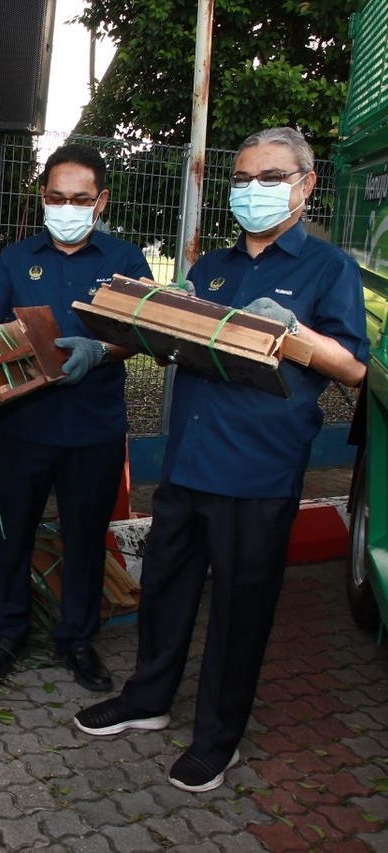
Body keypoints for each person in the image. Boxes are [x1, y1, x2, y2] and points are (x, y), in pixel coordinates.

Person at [74, 127, 367, 792]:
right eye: (242, 179)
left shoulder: (328, 269)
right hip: (187, 461)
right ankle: (148, 698)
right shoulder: (213, 267)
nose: (253, 190)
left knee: (240, 610)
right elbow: (186, 344)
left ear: (306, 184)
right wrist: (137, 326)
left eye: (270, 177)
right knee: (166, 591)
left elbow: (353, 367)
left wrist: (294, 333)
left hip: (258, 471)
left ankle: (218, 737)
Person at [0, 143, 152, 690]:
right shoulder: (16, 258)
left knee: (85, 537)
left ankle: (78, 639)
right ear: (42, 198)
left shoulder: (125, 262)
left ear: (101, 200)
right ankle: (7, 633)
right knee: (12, 533)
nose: (67, 207)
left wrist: (102, 351)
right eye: (57, 197)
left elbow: (137, 331)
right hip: (23, 425)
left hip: (93, 427)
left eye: (80, 198)